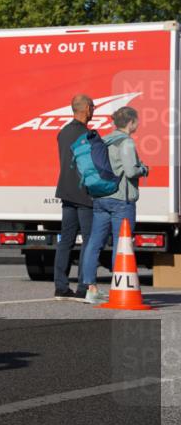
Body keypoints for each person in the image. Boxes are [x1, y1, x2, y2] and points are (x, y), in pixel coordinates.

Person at [77, 106, 149, 304]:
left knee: (94, 242)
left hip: (101, 198)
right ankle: (120, 288)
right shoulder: (126, 142)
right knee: (122, 244)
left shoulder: (105, 140)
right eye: (137, 121)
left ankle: (90, 288)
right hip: (120, 201)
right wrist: (143, 169)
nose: (138, 124)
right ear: (131, 122)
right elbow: (131, 171)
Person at [54, 94, 94, 300]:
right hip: (84, 193)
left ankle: (60, 286)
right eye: (92, 106)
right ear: (86, 108)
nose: (93, 110)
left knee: (66, 240)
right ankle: (83, 287)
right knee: (89, 240)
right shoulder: (88, 135)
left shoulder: (63, 132)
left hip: (66, 191)